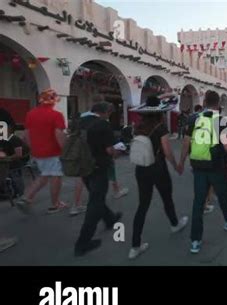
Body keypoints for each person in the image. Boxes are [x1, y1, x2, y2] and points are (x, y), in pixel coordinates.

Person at [178, 91, 227, 254]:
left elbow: (186, 143)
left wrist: (181, 162)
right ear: (218, 104)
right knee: (222, 196)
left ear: (204, 102)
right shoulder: (221, 121)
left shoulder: (193, 119)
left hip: (198, 166)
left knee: (198, 202)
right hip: (216, 167)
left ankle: (195, 241)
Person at [129, 96, 188, 260]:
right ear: (159, 112)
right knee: (167, 198)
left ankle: (135, 246)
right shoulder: (160, 127)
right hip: (157, 168)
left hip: (141, 168)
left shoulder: (138, 126)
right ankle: (174, 224)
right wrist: (177, 166)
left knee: (142, 205)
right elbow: (167, 151)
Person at [74, 102, 122, 257]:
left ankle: (109, 219)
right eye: (109, 113)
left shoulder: (80, 122)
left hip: (83, 165)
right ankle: (83, 242)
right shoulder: (102, 125)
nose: (109, 115)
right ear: (105, 112)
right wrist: (117, 152)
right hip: (98, 167)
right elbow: (109, 150)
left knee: (96, 196)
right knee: (95, 202)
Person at [17, 89, 67, 214]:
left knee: (44, 175)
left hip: (38, 151)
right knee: (56, 176)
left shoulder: (30, 114)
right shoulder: (56, 115)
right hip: (53, 151)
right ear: (54, 101)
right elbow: (58, 134)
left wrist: (33, 148)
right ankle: (55, 204)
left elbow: (25, 135)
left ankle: (26, 197)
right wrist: (65, 149)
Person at [0, 113, 29, 198]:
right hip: (6, 159)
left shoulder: (13, 139)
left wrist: (7, 158)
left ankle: (14, 191)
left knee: (5, 169)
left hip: (18, 160)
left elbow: (19, 155)